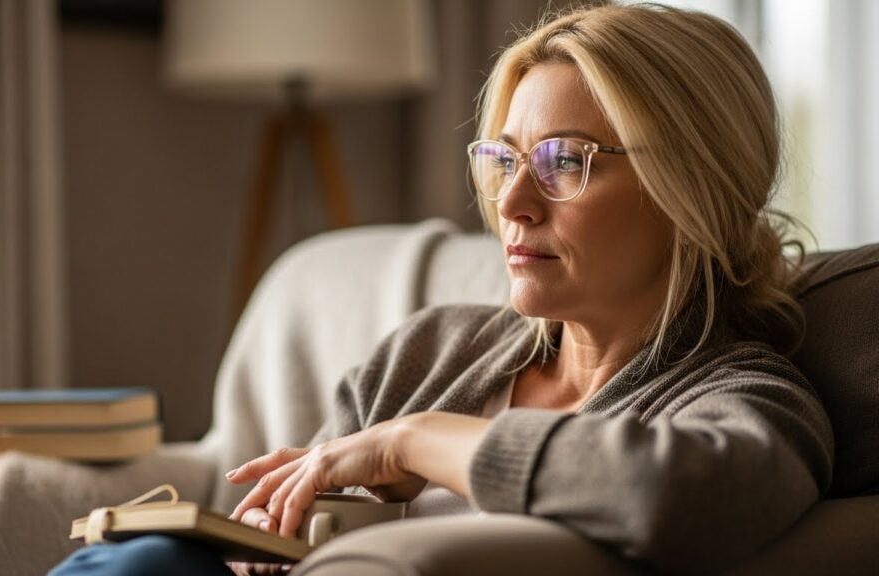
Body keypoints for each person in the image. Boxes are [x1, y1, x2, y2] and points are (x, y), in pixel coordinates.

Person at [50, 3, 833, 575]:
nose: (514, 204)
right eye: (505, 159)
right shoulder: (429, 351)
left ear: (691, 186)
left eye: (565, 161)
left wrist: (414, 439)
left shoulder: (751, 399)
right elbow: (302, 524)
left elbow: (675, 500)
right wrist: (261, 538)